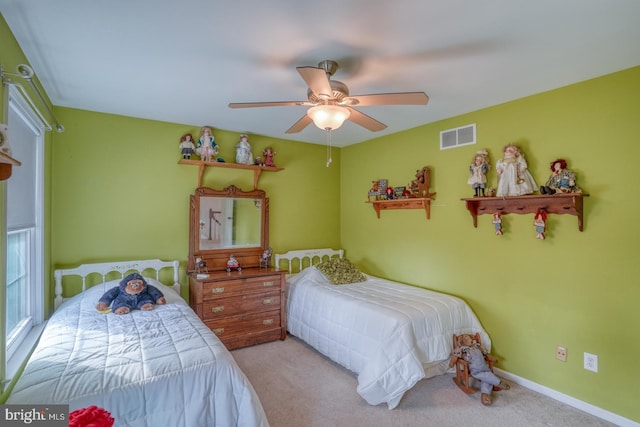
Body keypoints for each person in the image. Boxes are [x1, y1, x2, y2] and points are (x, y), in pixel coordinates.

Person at [449, 334, 510, 406]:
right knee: (488, 376)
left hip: (484, 367)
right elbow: (455, 355)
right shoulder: (462, 348)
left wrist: (492, 358)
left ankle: (485, 395)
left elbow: (486, 354)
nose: (468, 339)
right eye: (465, 338)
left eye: (469, 337)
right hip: (476, 370)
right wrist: (452, 362)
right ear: (462, 342)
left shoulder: (477, 346)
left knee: (487, 377)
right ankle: (499, 383)